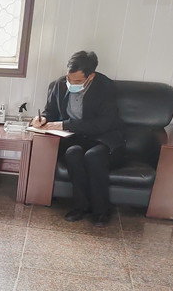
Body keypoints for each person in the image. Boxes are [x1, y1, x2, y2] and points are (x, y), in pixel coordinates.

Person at [31, 51, 124, 227]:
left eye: (78, 81)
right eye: (69, 78)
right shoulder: (59, 85)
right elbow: (50, 112)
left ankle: (101, 211)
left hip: (104, 139)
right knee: (73, 153)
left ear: (91, 76)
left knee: (93, 157)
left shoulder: (105, 87)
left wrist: (64, 124)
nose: (71, 84)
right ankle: (80, 207)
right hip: (76, 138)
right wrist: (42, 119)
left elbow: (102, 124)